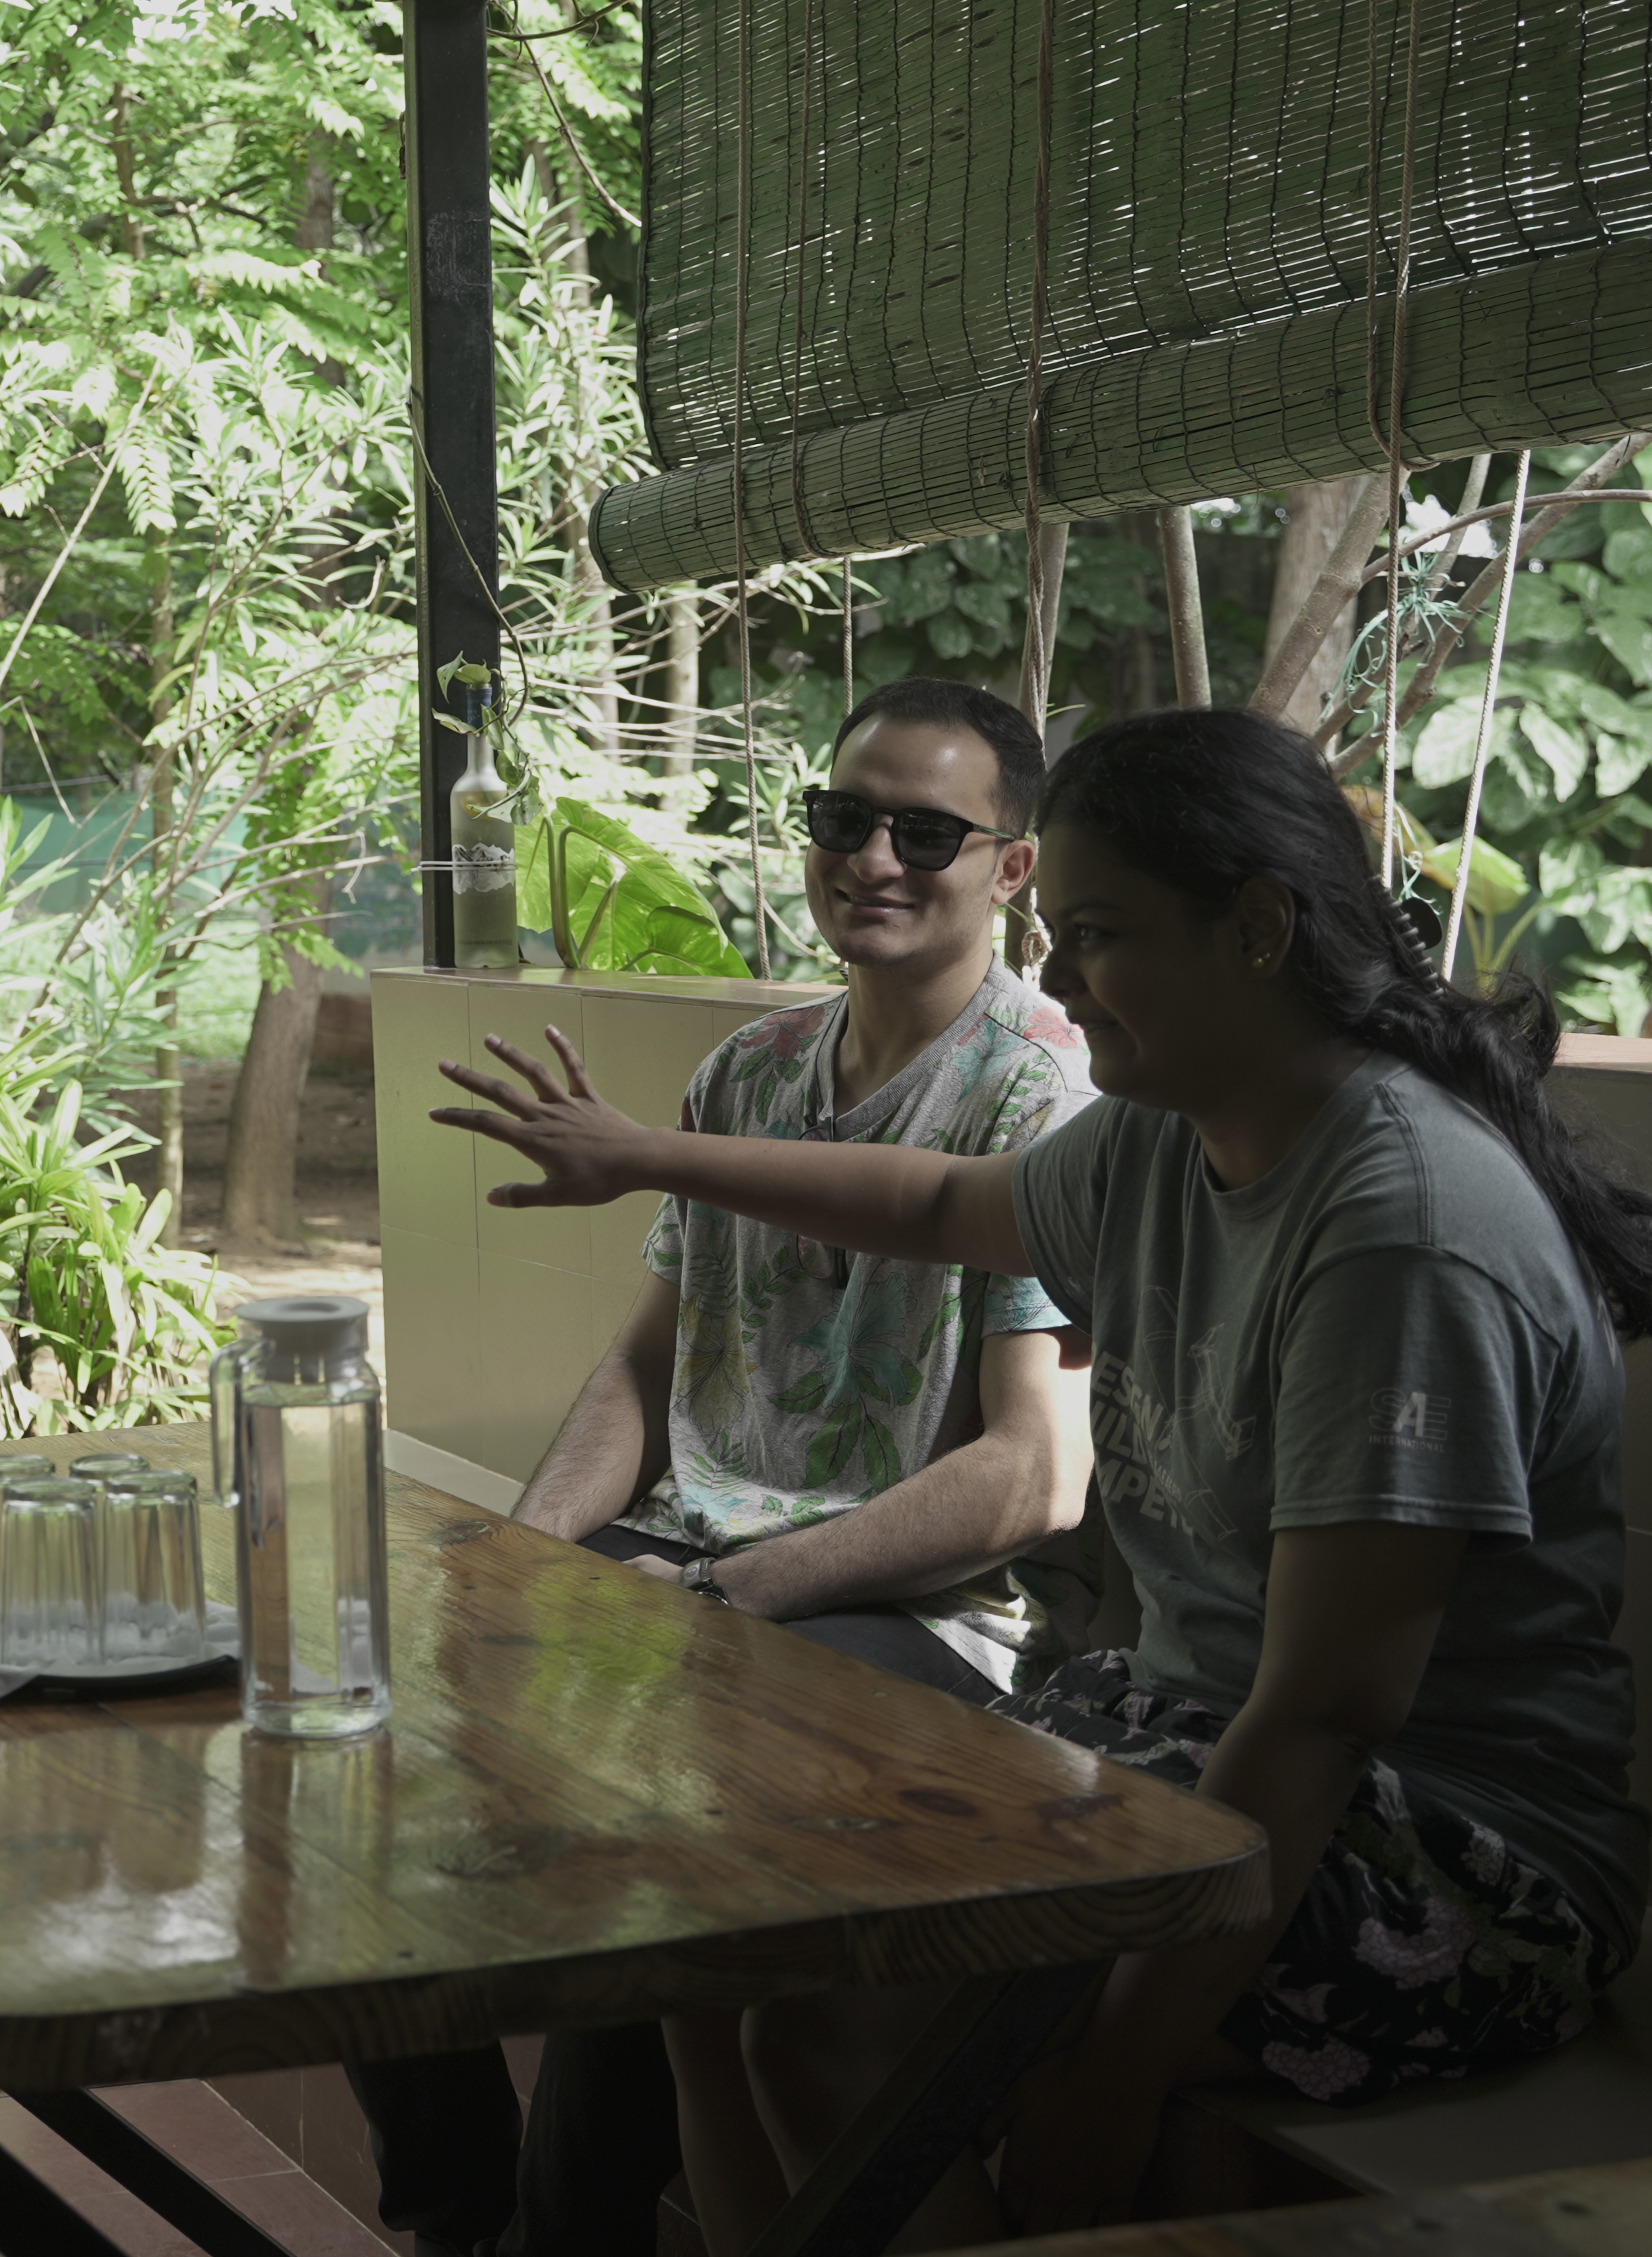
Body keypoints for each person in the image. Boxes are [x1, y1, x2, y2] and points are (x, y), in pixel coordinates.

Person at [434, 705, 1652, 2246]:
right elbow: (941, 1199)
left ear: (1260, 928)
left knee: (832, 2024)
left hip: (1439, 1847)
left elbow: (1332, 1711)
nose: (1063, 976)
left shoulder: (1400, 1223)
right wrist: (653, 1155)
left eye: (1095, 933)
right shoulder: (1176, 1134)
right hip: (1172, 1749)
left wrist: (1118, 2074)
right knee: (722, 1946)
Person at [345, 679, 1097, 2257]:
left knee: (646, 1817)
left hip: (914, 1615)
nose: (873, 856)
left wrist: (734, 1587)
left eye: (927, 830)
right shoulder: (751, 1071)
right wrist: (522, 1552)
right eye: (843, 817)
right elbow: (646, 1364)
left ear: (1013, 870)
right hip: (697, 1575)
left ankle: (561, 2239)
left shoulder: (1047, 1098)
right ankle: (454, 2209)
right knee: (367, 1722)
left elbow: (1033, 1476)